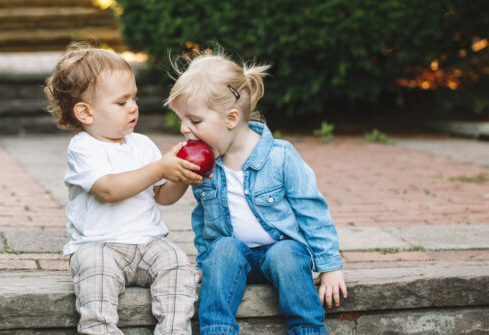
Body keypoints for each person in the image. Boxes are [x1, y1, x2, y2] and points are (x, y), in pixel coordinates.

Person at [164, 51, 348, 335]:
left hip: (280, 252)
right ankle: (217, 329)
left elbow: (313, 212)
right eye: (182, 120)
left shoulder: (280, 156)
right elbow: (203, 219)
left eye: (195, 121)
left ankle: (308, 328)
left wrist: (329, 266)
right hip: (235, 258)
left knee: (287, 253)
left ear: (231, 118)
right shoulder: (207, 165)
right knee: (222, 248)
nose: (184, 128)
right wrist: (204, 263)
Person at [44, 43, 202, 335]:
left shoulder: (142, 144)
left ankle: (174, 330)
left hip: (149, 242)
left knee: (178, 265)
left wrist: (179, 176)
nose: (133, 107)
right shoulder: (84, 148)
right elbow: (108, 190)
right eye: (121, 102)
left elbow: (161, 196)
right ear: (86, 113)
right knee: (95, 273)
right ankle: (100, 329)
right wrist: (159, 169)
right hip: (99, 244)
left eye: (133, 98)